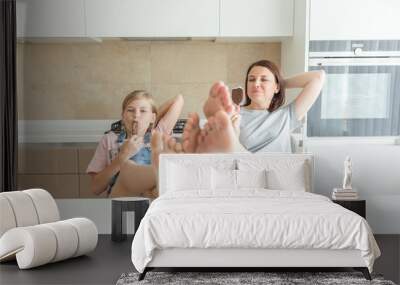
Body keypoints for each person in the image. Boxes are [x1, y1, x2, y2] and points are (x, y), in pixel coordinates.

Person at [86, 90, 183, 198]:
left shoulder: (156, 135)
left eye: (142, 111)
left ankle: (159, 177)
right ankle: (160, 173)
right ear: (123, 116)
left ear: (153, 118)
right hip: (119, 200)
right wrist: (122, 157)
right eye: (130, 110)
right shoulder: (109, 140)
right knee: (130, 168)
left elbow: (179, 99)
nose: (136, 115)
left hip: (149, 203)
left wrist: (150, 120)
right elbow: (96, 188)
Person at [239, 59, 325, 153]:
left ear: (277, 87)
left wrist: (281, 84)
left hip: (280, 167)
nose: (256, 84)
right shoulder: (234, 114)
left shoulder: (287, 115)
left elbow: (318, 77)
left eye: (263, 79)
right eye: (251, 79)